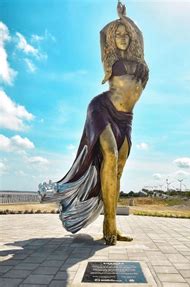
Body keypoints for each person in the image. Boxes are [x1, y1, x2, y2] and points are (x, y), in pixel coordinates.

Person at [38, 2, 149, 245]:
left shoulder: (139, 59)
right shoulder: (110, 60)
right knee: (109, 154)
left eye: (126, 34)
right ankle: (109, 228)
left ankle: (112, 223)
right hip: (101, 109)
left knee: (118, 169)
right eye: (118, 34)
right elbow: (103, 34)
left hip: (126, 119)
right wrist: (117, 19)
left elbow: (139, 36)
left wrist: (126, 19)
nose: (122, 37)